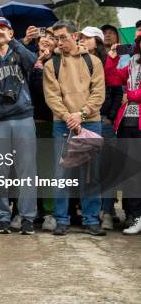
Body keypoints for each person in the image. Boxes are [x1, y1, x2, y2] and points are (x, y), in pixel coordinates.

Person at [43, 20, 106, 236]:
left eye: (63, 37)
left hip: (90, 121)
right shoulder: (52, 64)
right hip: (63, 123)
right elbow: (52, 96)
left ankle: (91, 220)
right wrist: (68, 116)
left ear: (75, 35)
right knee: (62, 174)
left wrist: (82, 114)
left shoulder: (93, 61)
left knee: (90, 173)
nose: (59, 42)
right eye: (56, 38)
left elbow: (98, 92)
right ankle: (61, 219)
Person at [0, 17, 38, 235]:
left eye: (2, 30)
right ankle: (2, 218)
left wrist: (13, 43)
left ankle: (27, 217)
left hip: (23, 116)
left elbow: (34, 64)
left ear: (11, 32)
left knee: (27, 169)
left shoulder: (19, 51)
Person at [78, 27, 122, 230]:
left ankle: (107, 211)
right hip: (81, 119)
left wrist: (111, 117)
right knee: (87, 169)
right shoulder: (76, 60)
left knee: (106, 169)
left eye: (88, 38)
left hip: (103, 121)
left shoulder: (107, 62)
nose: (84, 40)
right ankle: (90, 213)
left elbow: (114, 91)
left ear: (96, 41)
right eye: (82, 37)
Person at [105, 27, 141, 235]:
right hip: (127, 124)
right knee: (132, 173)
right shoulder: (131, 64)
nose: (136, 43)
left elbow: (134, 95)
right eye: (135, 39)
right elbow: (112, 79)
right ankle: (136, 216)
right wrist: (111, 59)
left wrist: (132, 93)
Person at [29, 32, 58, 231]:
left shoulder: (58, 64)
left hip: (49, 122)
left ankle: (49, 212)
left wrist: (40, 69)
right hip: (28, 123)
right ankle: (28, 211)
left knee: (47, 169)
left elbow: (46, 93)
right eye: (42, 38)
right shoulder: (29, 61)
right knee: (27, 169)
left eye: (50, 38)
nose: (45, 40)